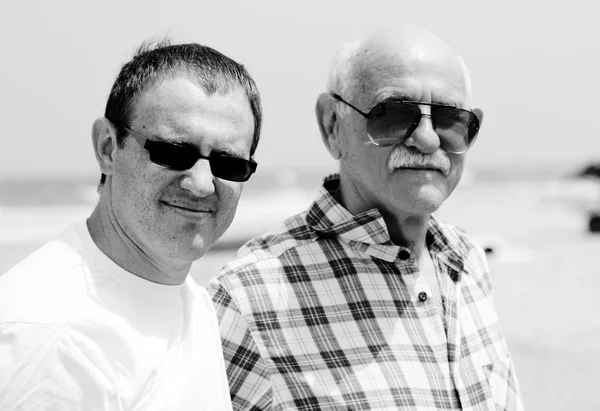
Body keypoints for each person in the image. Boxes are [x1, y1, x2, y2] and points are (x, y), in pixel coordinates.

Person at [208, 24, 524, 410]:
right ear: (332, 125)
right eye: (392, 115)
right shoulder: (247, 297)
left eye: (448, 120)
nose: (427, 140)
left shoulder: (467, 261)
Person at [0, 40, 261, 410]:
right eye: (173, 152)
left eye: (228, 164)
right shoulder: (49, 337)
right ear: (108, 147)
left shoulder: (189, 298)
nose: (202, 183)